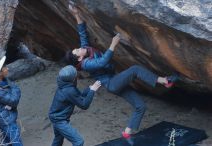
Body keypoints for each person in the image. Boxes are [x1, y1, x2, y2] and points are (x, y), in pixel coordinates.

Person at [65, 3, 178, 145]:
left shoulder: (85, 49)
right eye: (77, 51)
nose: (79, 48)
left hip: (116, 81)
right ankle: (164, 81)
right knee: (135, 69)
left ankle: (127, 133)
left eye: (77, 48)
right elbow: (102, 62)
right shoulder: (86, 64)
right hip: (112, 84)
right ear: (80, 58)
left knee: (140, 106)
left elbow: (82, 31)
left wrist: (76, 14)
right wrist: (113, 44)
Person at [49, 65, 101, 146]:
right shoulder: (69, 90)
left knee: (58, 139)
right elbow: (84, 105)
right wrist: (92, 91)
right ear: (73, 79)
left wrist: (89, 89)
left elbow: (78, 97)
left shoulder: (64, 84)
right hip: (59, 120)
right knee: (79, 141)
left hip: (55, 116)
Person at [0, 56, 23, 146]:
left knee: (7, 142)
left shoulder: (4, 81)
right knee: (16, 142)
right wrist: (15, 88)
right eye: (4, 67)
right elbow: (14, 100)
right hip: (7, 120)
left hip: (6, 117)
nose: (7, 68)